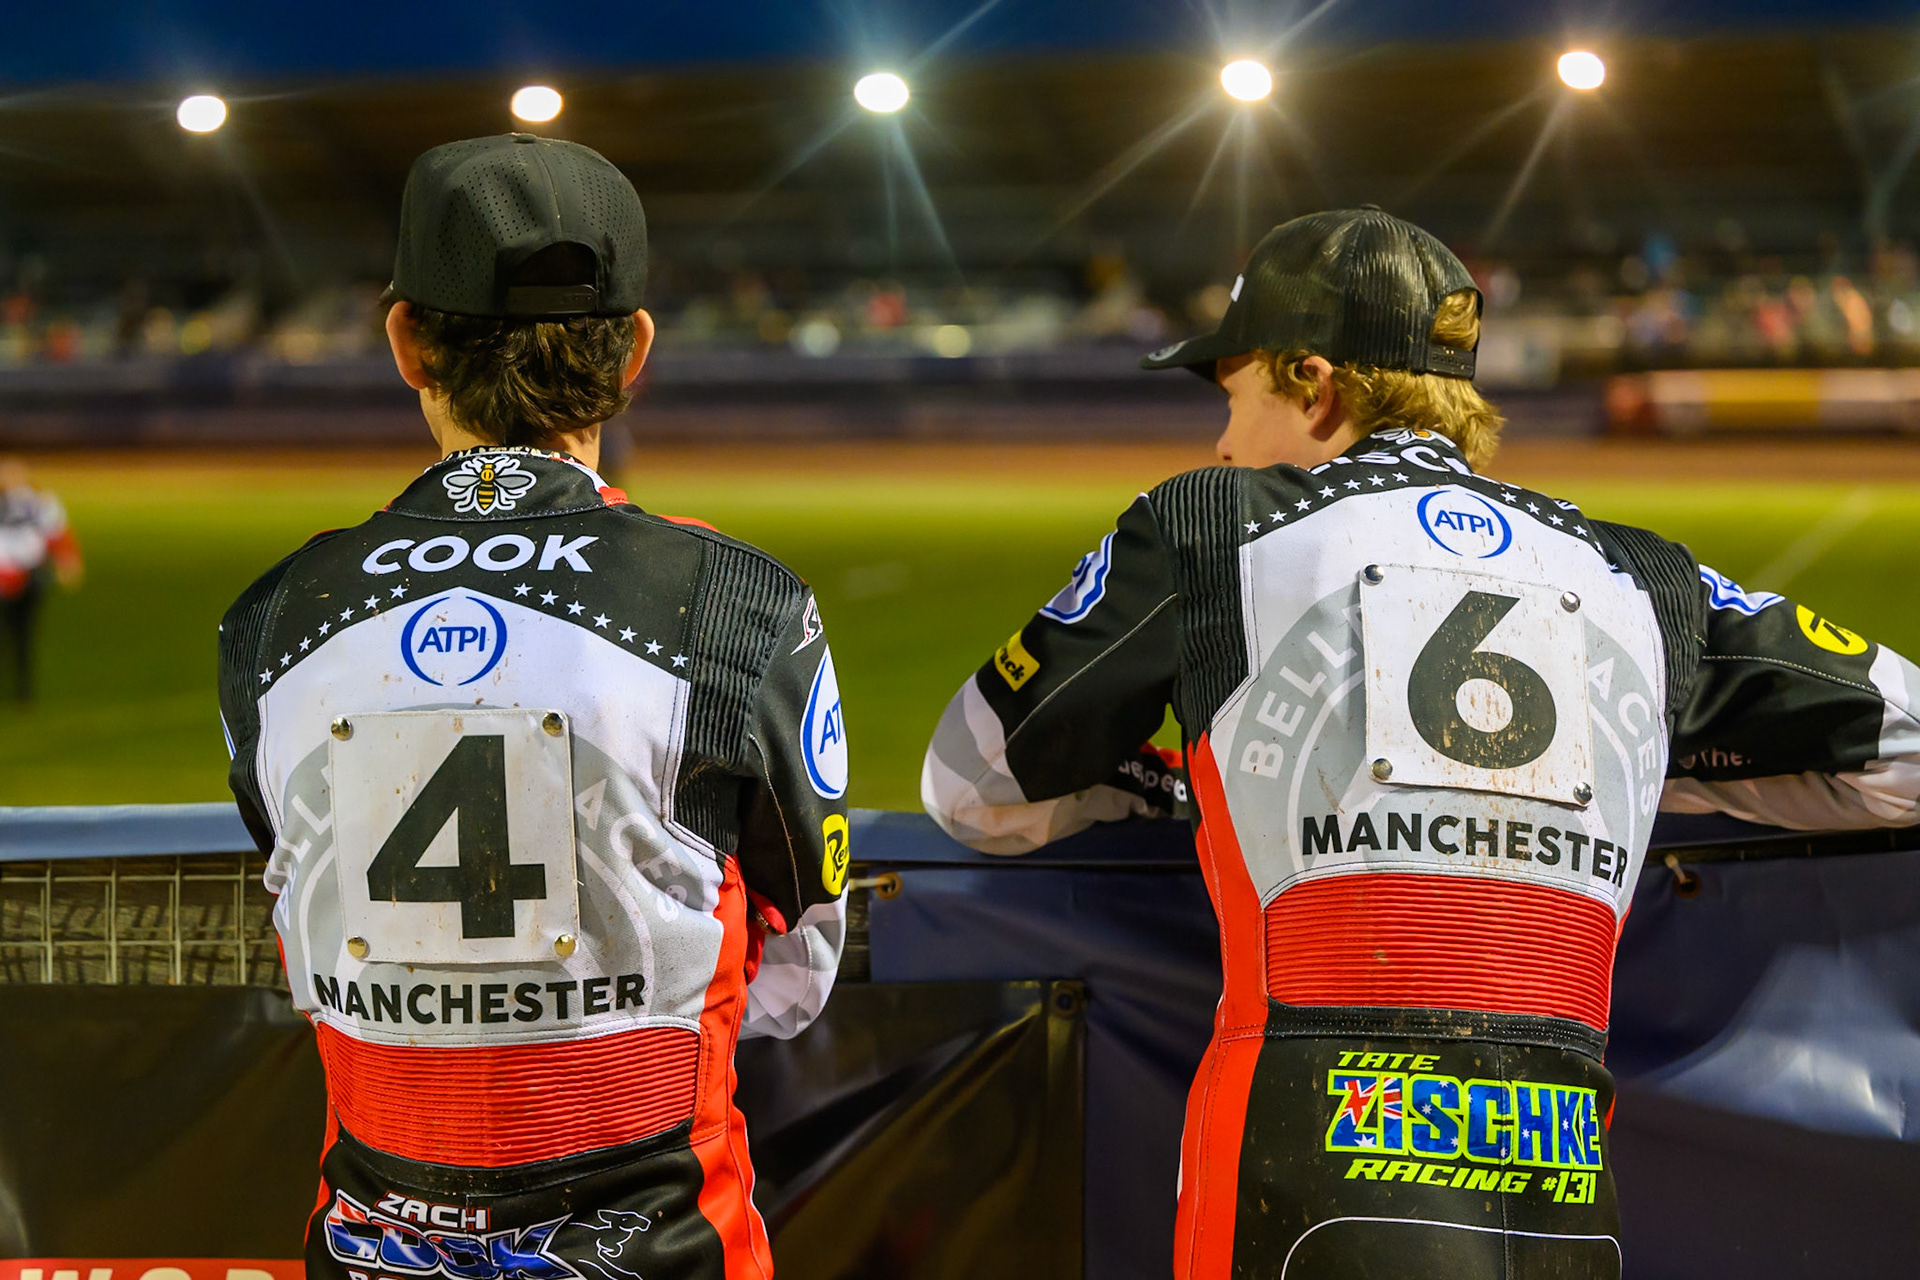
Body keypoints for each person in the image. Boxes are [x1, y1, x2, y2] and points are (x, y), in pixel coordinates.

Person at [920, 207, 1920, 1278]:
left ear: (1315, 383)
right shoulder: (1643, 575)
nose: (1220, 438)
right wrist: (1638, 769)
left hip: (1304, 1166)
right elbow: (1904, 750)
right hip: (1564, 1180)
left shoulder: (1208, 522)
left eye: (1234, 391)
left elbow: (972, 782)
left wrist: (1158, 791)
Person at [217, 135, 851, 1279]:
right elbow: (799, 966)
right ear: (635, 352)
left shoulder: (272, 617)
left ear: (407, 339)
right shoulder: (742, 601)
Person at [0, 457, 83, 702]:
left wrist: (68, 562)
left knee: (23, 634)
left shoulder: (40, 503)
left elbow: (57, 533)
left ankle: (23, 688)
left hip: (30, 576)